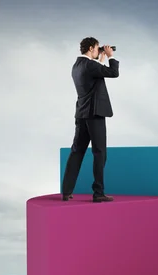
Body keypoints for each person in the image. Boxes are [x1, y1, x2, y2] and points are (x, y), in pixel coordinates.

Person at [61, 37, 119, 202]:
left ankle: (66, 191)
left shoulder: (77, 66)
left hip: (81, 114)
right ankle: (98, 193)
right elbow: (113, 73)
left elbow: (95, 73)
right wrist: (110, 56)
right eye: (97, 48)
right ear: (92, 47)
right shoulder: (91, 65)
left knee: (77, 151)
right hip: (95, 114)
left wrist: (99, 58)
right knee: (99, 153)